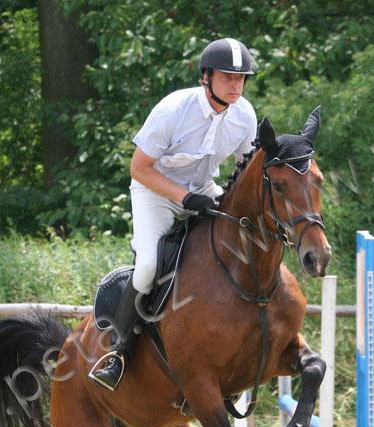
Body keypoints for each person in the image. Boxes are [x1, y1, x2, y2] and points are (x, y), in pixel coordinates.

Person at [89, 37, 258, 391]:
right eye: (227, 77)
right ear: (206, 77)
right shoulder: (173, 110)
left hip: (203, 190)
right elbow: (139, 168)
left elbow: (246, 168)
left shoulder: (244, 116)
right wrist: (184, 198)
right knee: (149, 266)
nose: (235, 85)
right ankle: (119, 353)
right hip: (155, 193)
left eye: (240, 78)